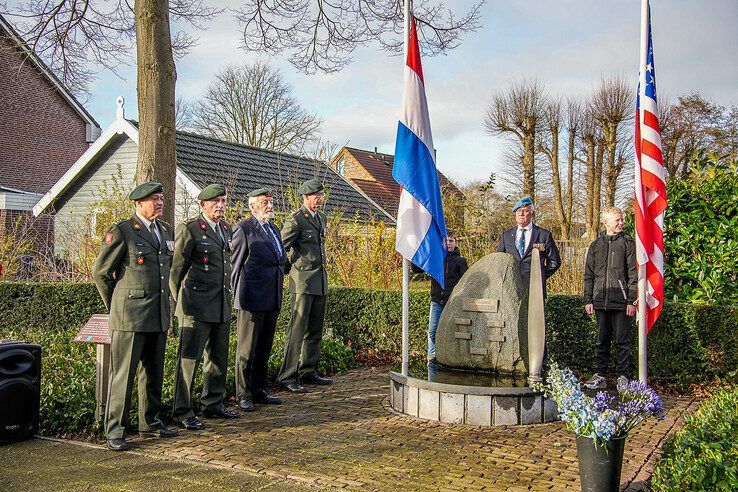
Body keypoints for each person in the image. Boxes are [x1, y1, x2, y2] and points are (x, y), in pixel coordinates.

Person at [92, 182, 179, 451]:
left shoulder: (165, 231)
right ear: (138, 204)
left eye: (161, 198)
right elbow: (101, 273)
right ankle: (115, 430)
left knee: (153, 372)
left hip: (157, 313)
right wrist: (117, 304)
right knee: (124, 375)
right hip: (130, 316)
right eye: (153, 198)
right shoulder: (123, 231)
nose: (159, 202)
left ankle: (149, 421)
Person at [170, 184, 240, 430]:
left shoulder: (225, 229)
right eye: (214, 202)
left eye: (222, 201)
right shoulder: (190, 230)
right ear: (203, 205)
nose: (220, 206)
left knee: (218, 358)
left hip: (220, 303)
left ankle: (213, 402)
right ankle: (182, 410)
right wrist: (177, 305)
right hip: (195, 307)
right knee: (189, 360)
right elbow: (176, 271)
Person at [231, 187, 287, 411]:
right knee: (247, 350)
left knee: (264, 347)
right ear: (252, 206)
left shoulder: (273, 227)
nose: (270, 206)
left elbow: (279, 258)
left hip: (272, 295)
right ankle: (243, 394)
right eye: (265, 202)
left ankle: (259, 389)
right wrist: (237, 298)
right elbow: (235, 266)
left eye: (271, 202)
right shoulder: (244, 228)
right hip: (251, 299)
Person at [278, 179, 332, 393]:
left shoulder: (322, 218)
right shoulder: (296, 220)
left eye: (321, 196)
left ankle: (308, 370)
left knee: (315, 329)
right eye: (316, 197)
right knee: (297, 330)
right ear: (306, 197)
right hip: (302, 282)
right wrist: (291, 269)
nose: (320, 200)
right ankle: (288, 376)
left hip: (320, 281)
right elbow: (280, 248)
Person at [583, 207, 637, 390]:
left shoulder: (628, 243)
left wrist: (631, 301)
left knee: (622, 341)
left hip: (621, 302)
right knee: (601, 340)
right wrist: (588, 300)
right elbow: (588, 274)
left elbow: (633, 274)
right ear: (606, 223)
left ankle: (623, 376)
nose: (621, 222)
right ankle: (600, 375)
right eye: (617, 220)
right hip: (600, 300)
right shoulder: (595, 246)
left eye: (621, 219)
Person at [415, 231, 468, 363]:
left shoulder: (460, 261)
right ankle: (432, 356)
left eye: (451, 241)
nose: (449, 243)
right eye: (446, 241)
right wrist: (416, 254)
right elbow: (418, 269)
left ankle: (451, 357)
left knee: (452, 331)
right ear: (442, 243)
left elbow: (465, 281)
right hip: (437, 300)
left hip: (453, 301)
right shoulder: (435, 259)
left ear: (455, 243)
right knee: (433, 331)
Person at [497, 196, 561, 297]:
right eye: (518, 211)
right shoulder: (506, 235)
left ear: (532, 214)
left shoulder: (544, 235)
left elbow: (554, 261)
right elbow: (500, 261)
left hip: (536, 290)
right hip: (511, 289)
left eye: (525, 211)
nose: (521, 214)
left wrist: (540, 276)